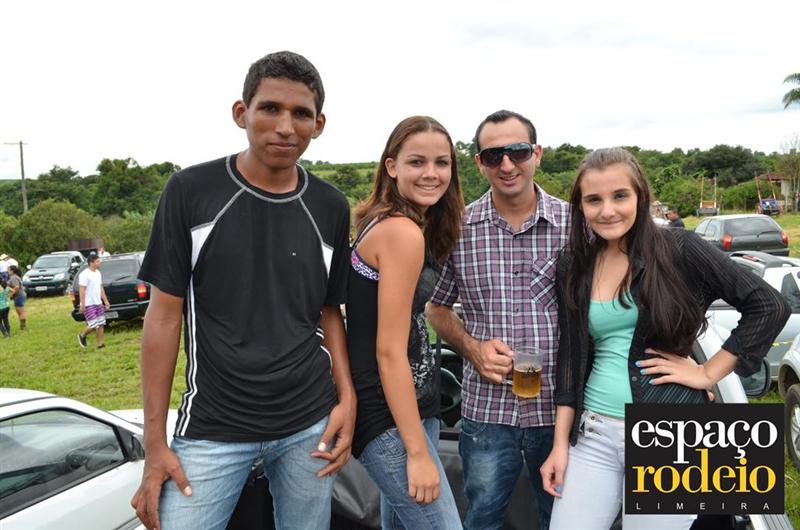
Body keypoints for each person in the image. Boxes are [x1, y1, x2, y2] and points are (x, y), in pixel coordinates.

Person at [130, 51, 356, 530]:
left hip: (310, 422)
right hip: (213, 427)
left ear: (318, 124)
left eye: (301, 114)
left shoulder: (331, 205)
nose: (285, 127)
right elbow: (164, 317)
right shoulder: (189, 191)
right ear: (241, 112)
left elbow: (329, 311)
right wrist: (155, 444)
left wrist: (347, 400)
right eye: (270, 108)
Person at [539, 147, 790, 530]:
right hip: (593, 433)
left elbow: (769, 305)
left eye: (620, 196)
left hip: (669, 433)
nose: (608, 210)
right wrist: (560, 444)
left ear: (640, 196)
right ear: (580, 205)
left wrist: (707, 373)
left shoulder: (680, 249)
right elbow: (570, 358)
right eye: (594, 200)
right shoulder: (574, 264)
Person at [427, 109, 571, 530]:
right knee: (482, 518)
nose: (507, 165)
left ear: (537, 153)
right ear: (479, 163)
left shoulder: (575, 223)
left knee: (562, 519)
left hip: (560, 407)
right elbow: (436, 307)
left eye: (518, 151)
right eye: (493, 156)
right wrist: (472, 349)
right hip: (488, 410)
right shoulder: (458, 227)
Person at [347, 116, 465, 529]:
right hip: (387, 415)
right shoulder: (401, 232)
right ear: (392, 166)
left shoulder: (401, 222)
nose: (432, 173)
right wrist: (416, 452)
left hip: (414, 405)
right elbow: (388, 351)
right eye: (417, 162)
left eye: (442, 162)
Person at [77, 254, 110, 349]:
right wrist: (82, 304)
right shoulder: (84, 274)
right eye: (97, 261)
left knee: (101, 323)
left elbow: (100, 288)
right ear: (91, 263)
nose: (99, 263)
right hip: (88, 304)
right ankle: (82, 335)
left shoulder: (98, 273)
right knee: (93, 324)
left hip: (98, 302)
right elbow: (81, 290)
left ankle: (100, 344)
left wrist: (105, 301)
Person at [7, 265, 26, 331]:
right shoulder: (15, 277)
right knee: (20, 312)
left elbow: (17, 287)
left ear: (12, 271)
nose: (7, 271)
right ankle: (23, 327)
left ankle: (23, 327)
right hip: (20, 295)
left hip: (19, 295)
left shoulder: (14, 278)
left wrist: (11, 294)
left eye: (8, 270)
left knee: (21, 312)